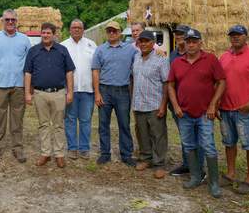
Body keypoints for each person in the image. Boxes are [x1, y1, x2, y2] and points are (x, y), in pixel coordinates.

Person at [168, 28, 226, 198]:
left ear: (200, 43)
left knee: (208, 145)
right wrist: (176, 106)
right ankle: (195, 176)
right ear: (183, 43)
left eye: (194, 41)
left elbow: (221, 82)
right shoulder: (177, 62)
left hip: (204, 113)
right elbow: (170, 85)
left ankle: (214, 182)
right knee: (189, 145)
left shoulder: (210, 59)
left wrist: (213, 105)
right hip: (184, 113)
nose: (191, 44)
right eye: (188, 41)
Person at [219, 25, 249, 195]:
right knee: (229, 143)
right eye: (232, 35)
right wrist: (217, 103)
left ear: (246, 37)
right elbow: (219, 82)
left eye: (239, 35)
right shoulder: (224, 57)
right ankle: (231, 173)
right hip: (225, 110)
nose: (235, 37)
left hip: (245, 111)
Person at [0, 9, 31, 165]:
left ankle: (18, 149)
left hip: (19, 85)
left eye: (13, 20)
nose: (10, 22)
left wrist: (30, 86)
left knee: (17, 120)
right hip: (0, 84)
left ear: (17, 21)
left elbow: (29, 64)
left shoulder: (24, 39)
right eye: (7, 20)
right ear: (2, 21)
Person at [24, 22, 75, 168]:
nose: (45, 35)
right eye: (43, 33)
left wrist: (70, 92)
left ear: (54, 35)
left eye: (48, 33)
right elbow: (28, 73)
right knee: (43, 125)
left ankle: (59, 154)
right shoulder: (33, 51)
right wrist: (28, 93)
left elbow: (69, 72)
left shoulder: (62, 50)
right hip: (40, 93)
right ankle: (45, 153)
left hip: (58, 93)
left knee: (58, 125)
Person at [92, 21, 137, 167]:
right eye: (109, 31)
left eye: (115, 31)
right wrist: (97, 93)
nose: (112, 33)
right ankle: (105, 153)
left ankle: (126, 154)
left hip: (123, 91)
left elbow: (145, 54)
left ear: (120, 32)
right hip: (105, 90)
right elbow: (95, 71)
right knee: (103, 124)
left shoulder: (130, 49)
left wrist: (158, 50)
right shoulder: (100, 50)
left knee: (124, 123)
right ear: (107, 33)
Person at [168, 25, 205, 177]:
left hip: (195, 104)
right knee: (185, 136)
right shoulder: (172, 55)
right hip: (177, 104)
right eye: (176, 34)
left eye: (181, 34)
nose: (178, 37)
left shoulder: (198, 55)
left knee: (199, 137)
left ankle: (199, 168)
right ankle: (187, 164)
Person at [132, 30, 170, 178]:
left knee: (158, 134)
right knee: (142, 134)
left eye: (146, 41)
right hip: (138, 104)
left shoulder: (161, 60)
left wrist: (163, 105)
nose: (143, 44)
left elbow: (166, 83)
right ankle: (146, 158)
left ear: (153, 43)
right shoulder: (136, 58)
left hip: (154, 104)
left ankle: (159, 164)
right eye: (141, 41)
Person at [61, 19, 97, 160]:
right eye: (73, 27)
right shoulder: (63, 46)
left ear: (83, 29)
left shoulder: (91, 45)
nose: (76, 29)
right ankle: (72, 148)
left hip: (88, 90)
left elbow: (96, 68)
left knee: (85, 120)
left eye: (79, 27)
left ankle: (84, 148)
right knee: (69, 119)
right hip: (70, 90)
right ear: (69, 29)